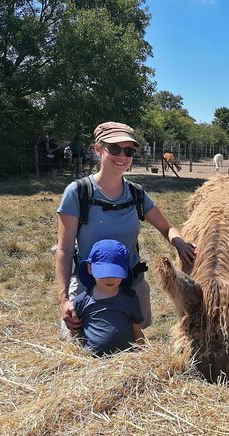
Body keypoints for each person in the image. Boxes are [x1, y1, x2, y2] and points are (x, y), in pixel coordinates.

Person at [56, 121, 196, 337]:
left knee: (131, 347)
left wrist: (178, 241)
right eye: (114, 148)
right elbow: (64, 250)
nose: (122, 156)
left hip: (130, 285)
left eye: (128, 151)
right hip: (90, 287)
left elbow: (167, 228)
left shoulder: (136, 194)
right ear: (97, 149)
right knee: (86, 348)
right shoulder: (78, 192)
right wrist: (64, 299)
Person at [71, 239, 145, 356]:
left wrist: (142, 352)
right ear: (90, 269)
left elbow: (137, 328)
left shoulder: (129, 298)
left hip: (125, 360)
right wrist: (76, 354)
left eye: (116, 273)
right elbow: (75, 330)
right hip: (92, 363)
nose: (110, 279)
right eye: (104, 273)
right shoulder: (82, 300)